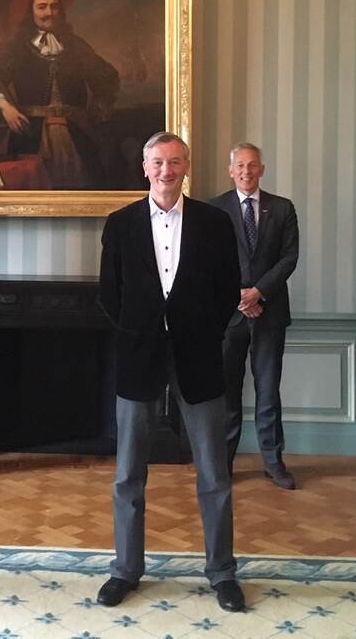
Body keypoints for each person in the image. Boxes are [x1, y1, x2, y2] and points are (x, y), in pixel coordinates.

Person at [95, 132, 246, 613]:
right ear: (145, 167)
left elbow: (228, 291)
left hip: (199, 359)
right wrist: (138, 332)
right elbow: (109, 293)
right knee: (128, 474)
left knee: (214, 474)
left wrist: (201, 332)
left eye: (175, 161)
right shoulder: (120, 224)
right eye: (158, 162)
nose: (166, 170)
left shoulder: (214, 222)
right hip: (138, 359)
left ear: (186, 166)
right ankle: (125, 569)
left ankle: (222, 572)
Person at [209, 143, 300, 488]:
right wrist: (237, 296)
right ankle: (222, 465)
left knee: (269, 392)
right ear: (231, 170)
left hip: (270, 312)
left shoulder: (282, 208)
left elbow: (289, 258)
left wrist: (258, 292)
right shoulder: (214, 209)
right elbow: (208, 260)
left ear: (262, 169)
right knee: (227, 394)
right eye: (240, 166)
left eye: (252, 165)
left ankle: (274, 462)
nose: (246, 171)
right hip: (227, 315)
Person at [0, 0, 120, 188]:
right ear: (32, 11)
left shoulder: (76, 46)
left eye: (54, 6)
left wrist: (94, 114)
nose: (49, 13)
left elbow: (107, 78)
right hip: (31, 136)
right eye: (42, 7)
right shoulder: (17, 48)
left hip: (76, 137)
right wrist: (6, 108)